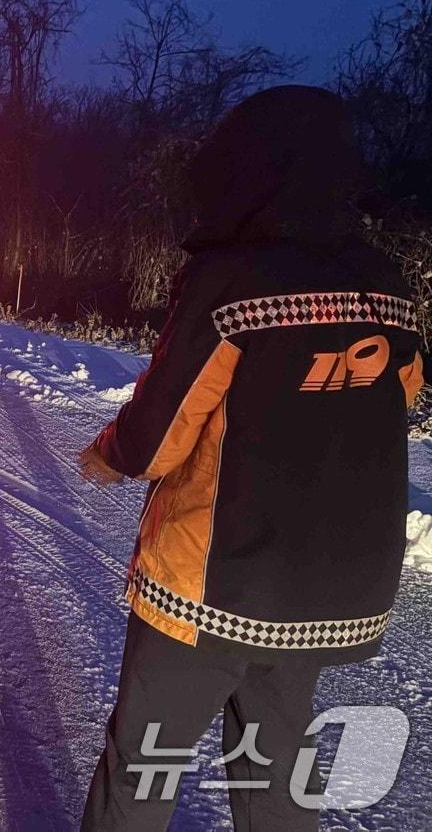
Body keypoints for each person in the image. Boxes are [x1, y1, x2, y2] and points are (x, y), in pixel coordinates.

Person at [77, 86, 424, 831]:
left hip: (212, 586)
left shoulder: (232, 280)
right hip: (323, 594)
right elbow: (399, 404)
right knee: (277, 775)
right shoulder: (388, 283)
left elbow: (156, 436)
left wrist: (108, 453)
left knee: (141, 768)